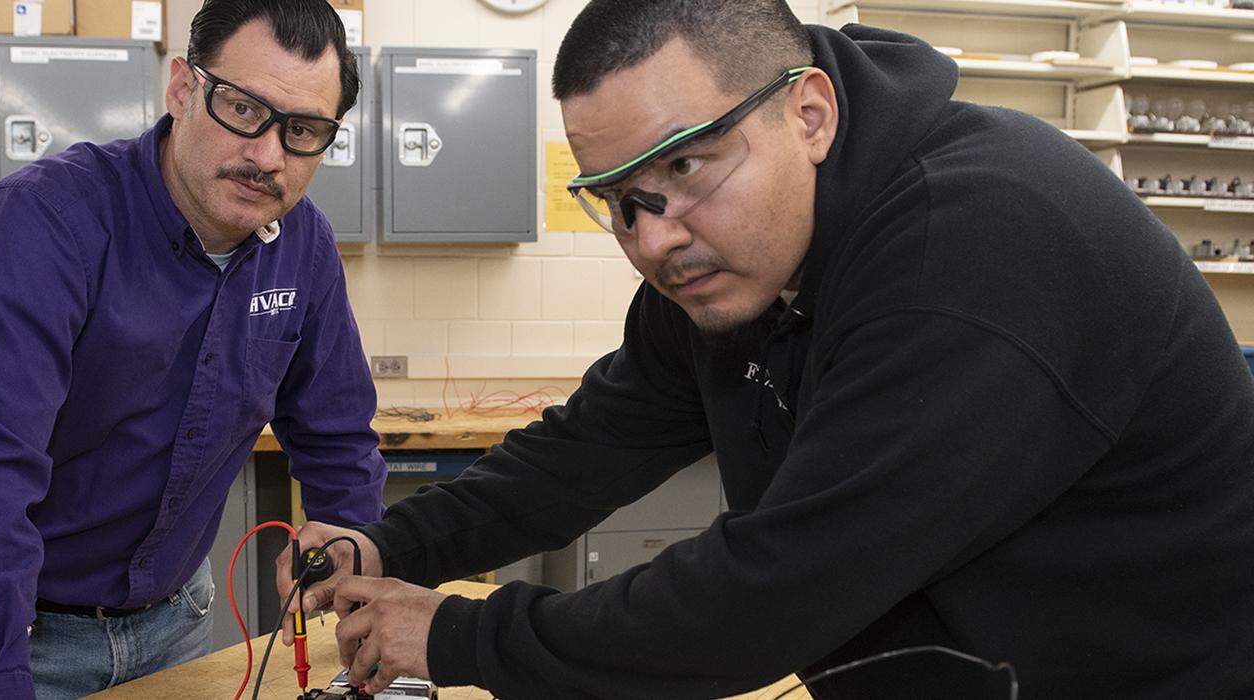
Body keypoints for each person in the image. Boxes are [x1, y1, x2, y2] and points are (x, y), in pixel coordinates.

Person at [279, 1, 1254, 697]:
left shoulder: (975, 251)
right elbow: (587, 449)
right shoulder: (729, 261)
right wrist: (394, 542)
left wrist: (459, 634)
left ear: (810, 114)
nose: (652, 236)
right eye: (617, 198)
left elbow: (775, 592)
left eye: (688, 164)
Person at [0, 1, 386, 697]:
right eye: (244, 110)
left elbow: (338, 439)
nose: (267, 156)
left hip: (177, 627)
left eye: (304, 131)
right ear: (182, 89)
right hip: (20, 636)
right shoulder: (44, 224)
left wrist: (359, 594)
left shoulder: (304, 246)